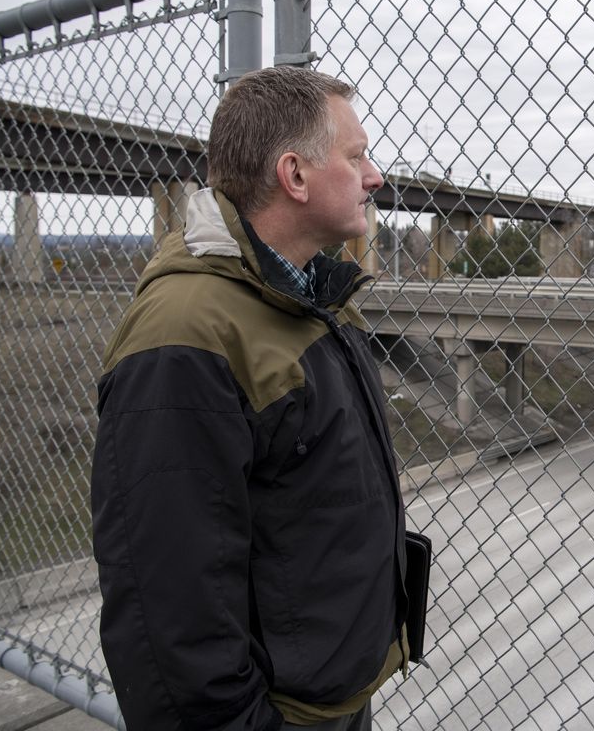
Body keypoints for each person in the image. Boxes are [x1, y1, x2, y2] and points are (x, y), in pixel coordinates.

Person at [91, 66, 408, 730]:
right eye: (356, 157)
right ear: (295, 176)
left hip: (330, 701)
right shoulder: (185, 340)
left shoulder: (317, 298)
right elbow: (169, 615)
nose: (375, 176)